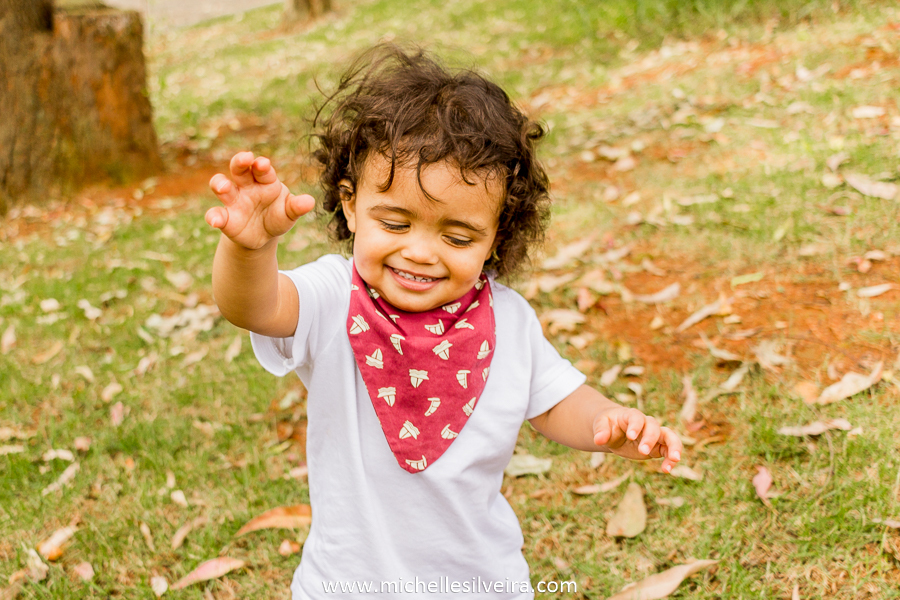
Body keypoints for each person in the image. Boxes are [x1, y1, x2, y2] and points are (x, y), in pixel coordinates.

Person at [205, 44, 682, 600]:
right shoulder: (336, 296)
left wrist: (610, 423)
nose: (421, 252)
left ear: (496, 236)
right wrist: (249, 252)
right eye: (395, 222)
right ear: (351, 204)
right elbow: (254, 307)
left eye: (457, 237)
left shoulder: (508, 320)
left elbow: (555, 402)